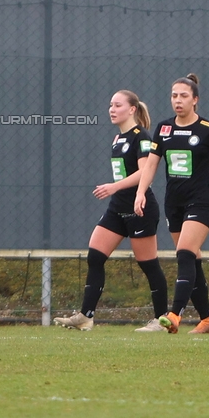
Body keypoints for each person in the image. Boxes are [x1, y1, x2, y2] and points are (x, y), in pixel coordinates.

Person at [54, 90, 168, 332]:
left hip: (140, 207)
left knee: (148, 264)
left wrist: (113, 186)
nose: (112, 109)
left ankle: (161, 319)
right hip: (118, 207)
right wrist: (116, 191)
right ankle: (86, 316)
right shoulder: (118, 139)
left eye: (117, 105)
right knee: (95, 256)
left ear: (132, 109)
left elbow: (144, 173)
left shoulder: (142, 137)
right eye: (110, 105)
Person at [134, 74, 209, 334]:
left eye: (184, 95)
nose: (178, 100)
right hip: (174, 203)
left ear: (195, 100)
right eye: (174, 95)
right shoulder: (164, 129)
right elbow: (151, 163)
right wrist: (141, 192)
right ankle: (207, 320)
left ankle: (175, 313)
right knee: (192, 260)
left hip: (202, 201)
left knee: (185, 252)